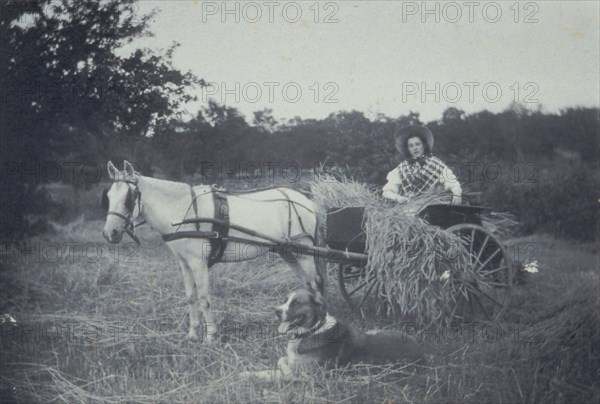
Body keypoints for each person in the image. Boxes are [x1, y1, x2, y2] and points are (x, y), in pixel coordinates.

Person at [382, 125, 462, 205]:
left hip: (432, 205)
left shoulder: (436, 164)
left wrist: (457, 194)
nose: (415, 148)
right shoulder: (402, 168)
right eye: (411, 146)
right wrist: (399, 198)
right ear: (408, 149)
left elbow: (452, 182)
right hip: (409, 208)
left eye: (417, 144)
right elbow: (387, 191)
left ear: (424, 145)